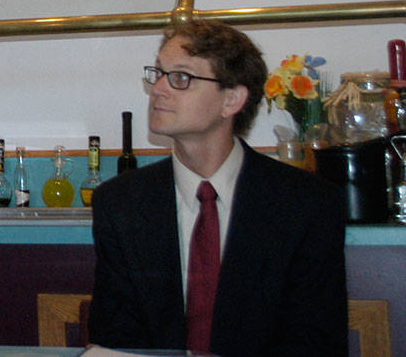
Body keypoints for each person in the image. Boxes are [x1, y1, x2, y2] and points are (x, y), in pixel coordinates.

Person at [89, 20, 347, 356]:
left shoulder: (306, 204)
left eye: (181, 78)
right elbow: (116, 339)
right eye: (158, 73)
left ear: (232, 100)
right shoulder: (119, 203)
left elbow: (315, 342)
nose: (158, 90)